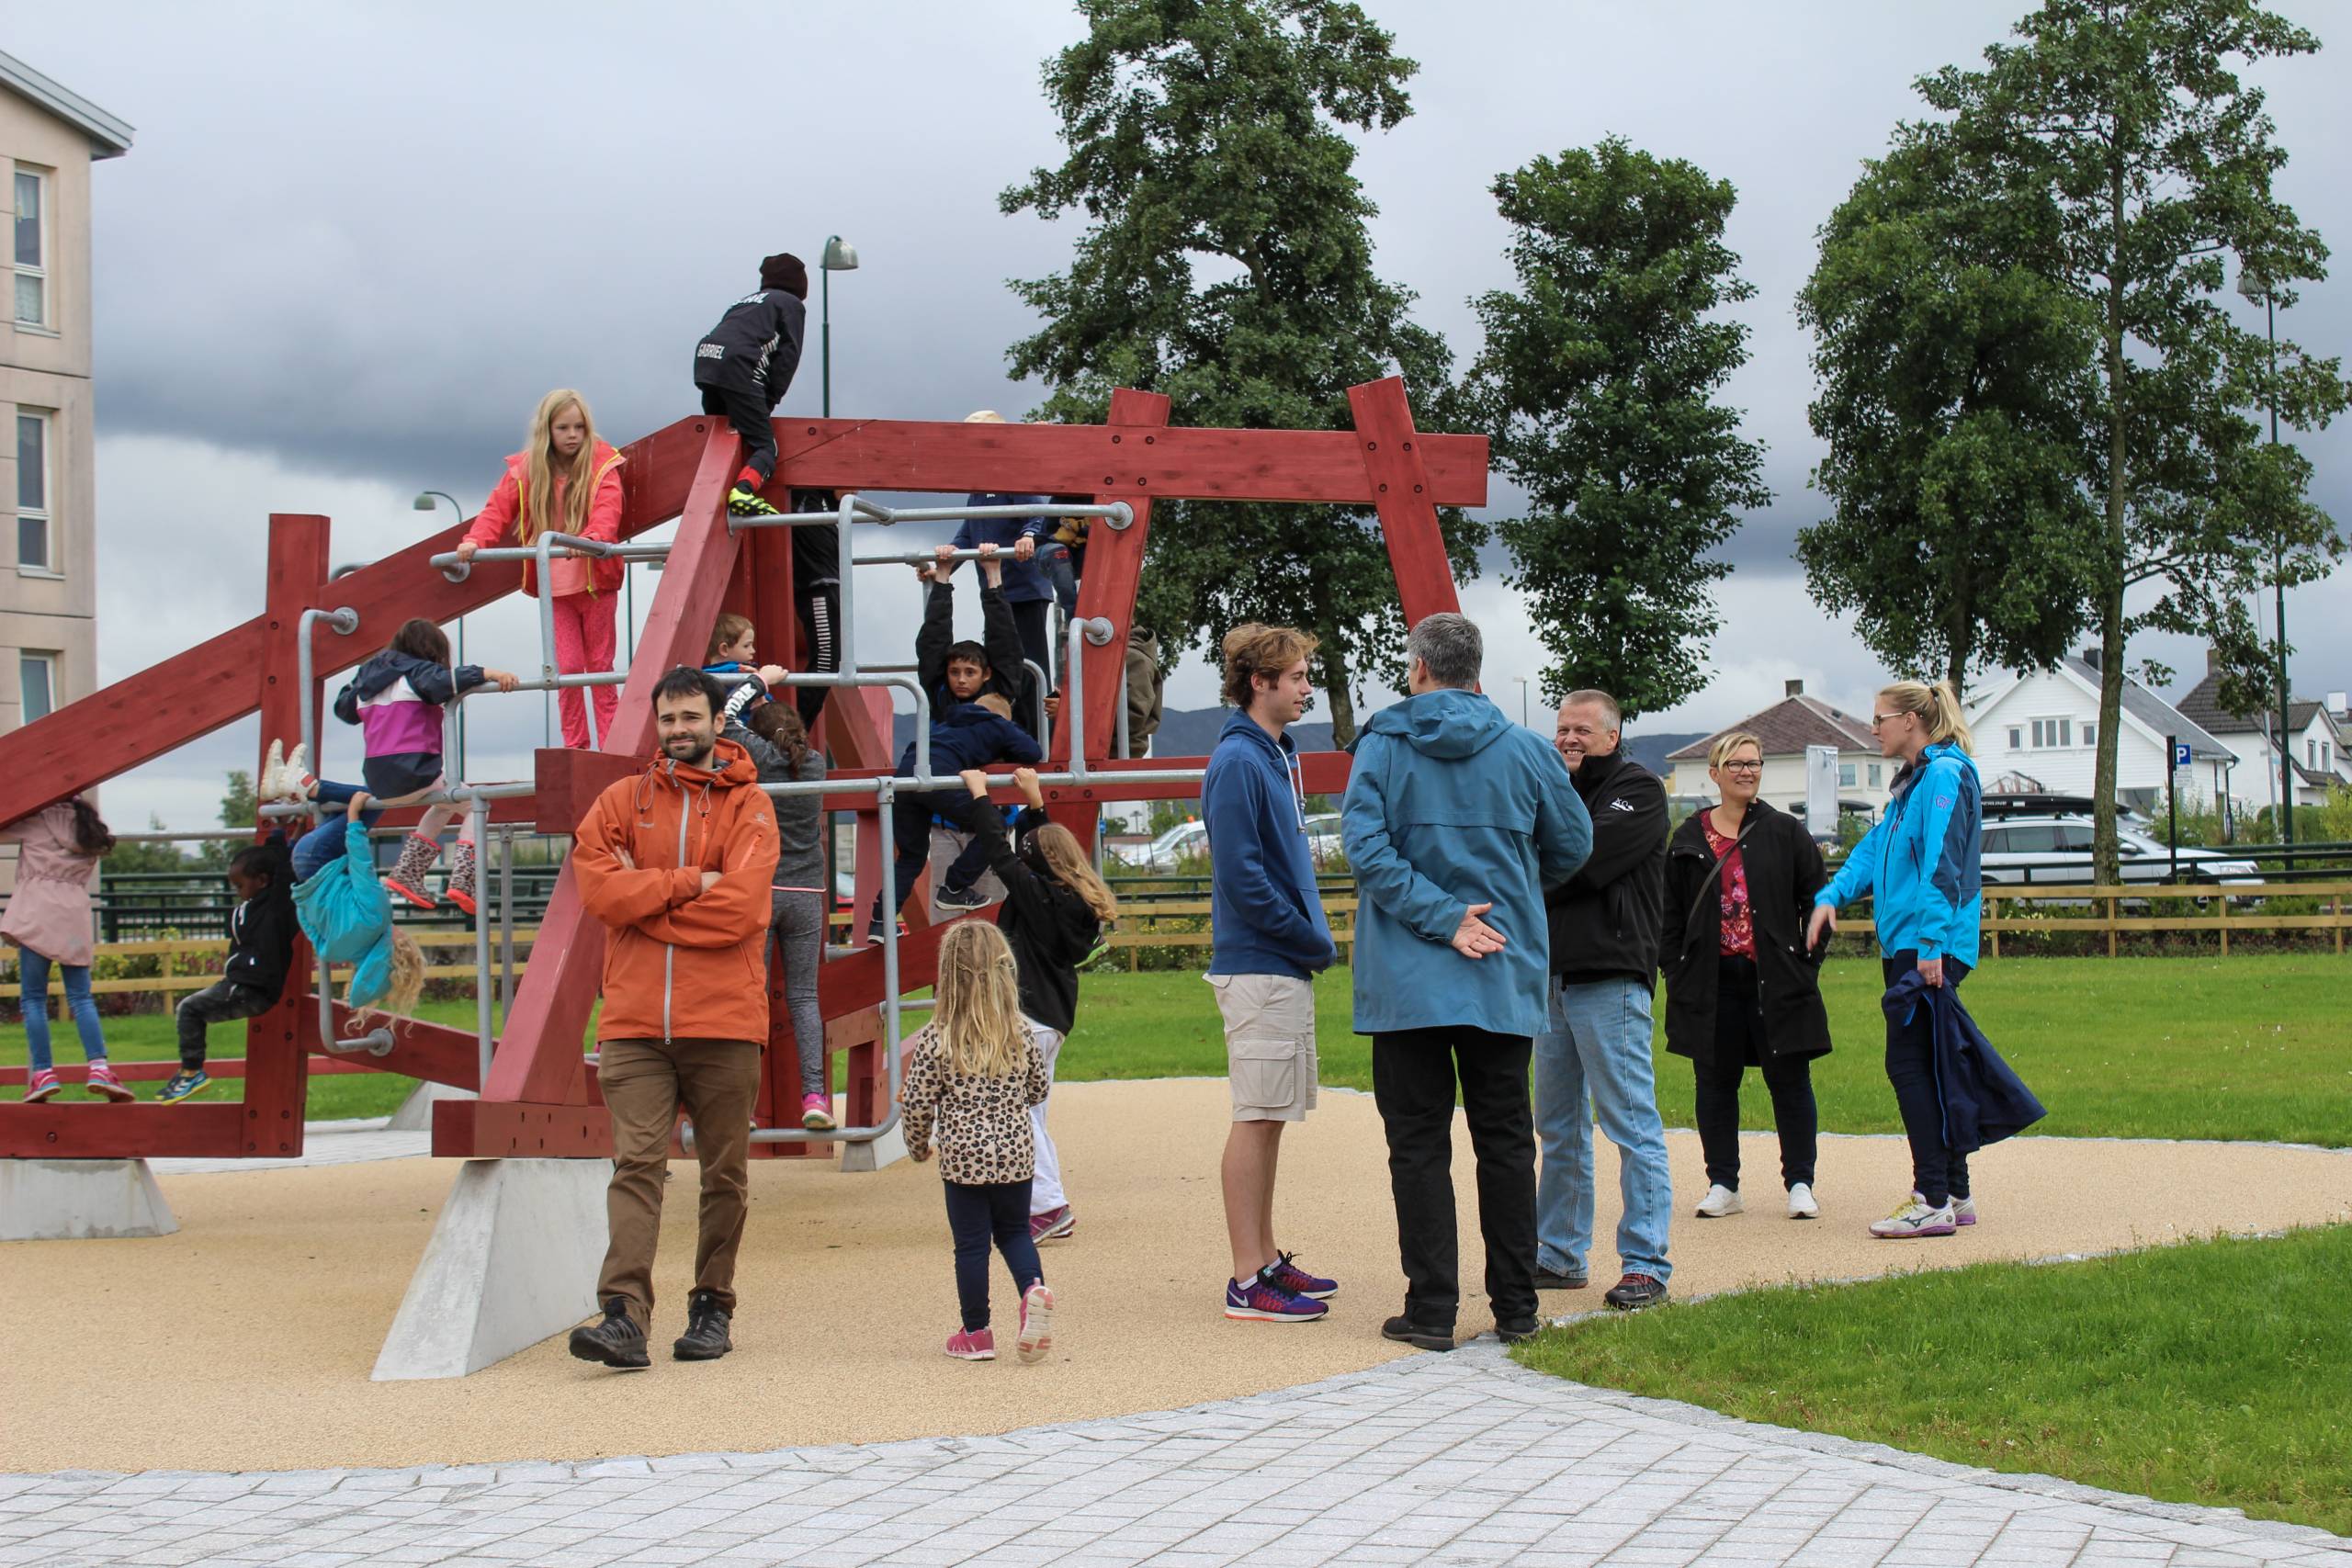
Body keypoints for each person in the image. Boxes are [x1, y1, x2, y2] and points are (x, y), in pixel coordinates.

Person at [1342, 615, 1590, 1350]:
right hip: (1500, 967)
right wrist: (1504, 894)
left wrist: (1440, 915)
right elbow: (1573, 844)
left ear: (1418, 668)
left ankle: (1431, 1309)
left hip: (1406, 980)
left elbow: (1364, 847)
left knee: (1418, 1145)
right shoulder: (1525, 749)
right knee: (1508, 1140)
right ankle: (1516, 1305)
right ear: (1477, 673)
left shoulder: (1383, 746)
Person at [567, 667, 780, 1370]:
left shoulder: (752, 808)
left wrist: (646, 906)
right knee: (636, 1165)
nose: (679, 729)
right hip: (632, 1025)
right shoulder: (620, 801)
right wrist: (691, 883)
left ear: (719, 720)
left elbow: (743, 909)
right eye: (668, 719)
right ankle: (624, 1315)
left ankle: (712, 1304)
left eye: (692, 716)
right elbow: (599, 890)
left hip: (722, 1022)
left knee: (725, 1173)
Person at [1808, 679, 1986, 1240]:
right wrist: (1832, 896)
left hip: (1925, 945)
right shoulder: (1910, 785)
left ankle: (1931, 1195)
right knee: (1930, 1063)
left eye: (1880, 718)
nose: (1874, 729)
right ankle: (1953, 1191)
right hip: (1908, 943)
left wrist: (1931, 947)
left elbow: (1943, 863)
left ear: (1911, 720)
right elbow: (1872, 850)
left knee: (1908, 1064)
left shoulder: (1945, 775)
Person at [1203, 624, 1342, 1325]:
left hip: (1280, 963)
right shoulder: (1239, 760)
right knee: (1255, 1117)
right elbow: (1243, 878)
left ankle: (1265, 1259)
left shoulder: (1274, 754)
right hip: (1261, 963)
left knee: (1273, 1115)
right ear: (1260, 682)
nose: (1306, 686)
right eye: (1295, 676)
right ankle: (1245, 1277)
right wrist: (1310, 938)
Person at [1533, 689, 1675, 1312]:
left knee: (1631, 1123)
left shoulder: (1639, 792)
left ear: (1612, 737)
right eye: (1562, 727)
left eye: (1582, 729)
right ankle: (1559, 1254)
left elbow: (1580, 861)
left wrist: (1526, 870)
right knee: (1558, 1125)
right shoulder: (1553, 788)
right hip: (1551, 980)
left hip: (1611, 980)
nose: (1569, 738)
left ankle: (1646, 1263)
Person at [1661, 731, 1831, 1223]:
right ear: (1714, 773)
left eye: (1754, 763)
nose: (1746, 771)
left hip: (1776, 979)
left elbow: (1818, 903)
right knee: (1714, 1082)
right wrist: (1676, 968)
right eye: (1735, 764)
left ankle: (1800, 1182)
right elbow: (1666, 914)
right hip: (1710, 982)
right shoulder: (1689, 838)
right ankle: (1723, 1183)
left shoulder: (1785, 831)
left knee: (1791, 1080)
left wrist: (1805, 964)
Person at [956, 764, 1120, 1244]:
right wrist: (1035, 804)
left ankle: (1048, 1206)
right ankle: (1038, 1203)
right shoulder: (1070, 899)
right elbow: (1032, 855)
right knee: (1034, 1111)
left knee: (1019, 1114)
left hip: (1027, 1019)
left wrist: (980, 795)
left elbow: (1000, 854)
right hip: (1053, 1019)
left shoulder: (1036, 894)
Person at [269, 620, 519, 914]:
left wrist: (362, 675)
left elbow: (344, 709)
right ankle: (464, 879)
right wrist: (490, 673)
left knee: (445, 804)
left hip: (377, 778)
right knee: (477, 807)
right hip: (415, 770)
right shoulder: (418, 672)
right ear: (431, 650)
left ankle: (407, 874)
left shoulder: (368, 685)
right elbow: (447, 680)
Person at [900, 919, 1057, 1363]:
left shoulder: (939, 1037)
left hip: (964, 1160)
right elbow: (1037, 1089)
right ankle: (1031, 1291)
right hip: (1014, 1156)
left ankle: (976, 1332)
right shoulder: (1020, 1032)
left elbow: (916, 1101)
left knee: (971, 1245)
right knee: (1013, 1232)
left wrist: (917, 1146)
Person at [452, 389, 627, 750]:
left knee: (600, 668)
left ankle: (613, 747)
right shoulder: (528, 469)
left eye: (579, 427)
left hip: (595, 582)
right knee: (566, 668)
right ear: (548, 430)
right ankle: (575, 746)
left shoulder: (602, 464)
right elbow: (497, 510)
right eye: (563, 428)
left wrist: (592, 538)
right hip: (555, 588)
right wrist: (475, 541)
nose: (573, 435)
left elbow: (609, 509)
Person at [729, 701, 833, 1131]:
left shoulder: (758, 760)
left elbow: (726, 718)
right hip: (807, 890)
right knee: (804, 998)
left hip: (763, 889)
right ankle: (815, 1097)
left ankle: (743, 1106)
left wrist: (755, 681)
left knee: (751, 994)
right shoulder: (815, 764)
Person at [869, 691, 1042, 935]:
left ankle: (881, 922)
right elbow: (1033, 752)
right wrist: (1005, 739)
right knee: (993, 824)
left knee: (911, 858)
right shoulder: (997, 723)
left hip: (905, 778)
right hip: (938, 778)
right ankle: (954, 887)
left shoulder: (946, 724)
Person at [4, 796, 131, 1103]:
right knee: (80, 996)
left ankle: (43, 1074)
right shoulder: (88, 825)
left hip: (36, 914)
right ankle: (100, 1067)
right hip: (73, 916)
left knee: (33, 998)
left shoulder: (37, 820)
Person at [159, 831, 298, 1103]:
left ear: (261, 881)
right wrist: (274, 840)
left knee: (188, 1009)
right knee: (190, 1011)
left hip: (252, 988)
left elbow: (283, 875)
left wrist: (281, 841)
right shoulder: (249, 910)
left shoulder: (277, 909)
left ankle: (191, 1072)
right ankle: (191, 1071)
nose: (237, 892)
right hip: (241, 985)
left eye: (239, 886)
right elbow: (273, 864)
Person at [284, 795, 426, 1029]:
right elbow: (305, 920)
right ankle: (310, 797)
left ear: (395, 949)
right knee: (336, 806)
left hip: (322, 856)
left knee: (373, 800)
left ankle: (309, 785)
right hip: (301, 867)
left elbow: (362, 865)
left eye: (405, 939)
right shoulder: (333, 953)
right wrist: (302, 893)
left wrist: (353, 820)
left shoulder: (378, 919)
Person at [944, 412, 1057, 685]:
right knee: (1001, 658)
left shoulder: (1011, 472)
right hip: (995, 590)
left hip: (1024, 588)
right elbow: (966, 535)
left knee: (1028, 660)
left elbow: (1037, 513)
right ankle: (1009, 715)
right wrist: (942, 564)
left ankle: (1036, 720)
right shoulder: (979, 489)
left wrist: (1028, 536)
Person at [692, 253, 807, 518]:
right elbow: (788, 356)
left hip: (707, 361)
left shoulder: (744, 302)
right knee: (766, 446)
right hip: (740, 366)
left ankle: (714, 487)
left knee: (724, 436)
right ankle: (743, 490)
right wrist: (769, 402)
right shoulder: (790, 304)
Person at [917, 542, 1040, 739]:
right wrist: (942, 574)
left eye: (970, 672)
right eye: (954, 672)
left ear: (986, 674)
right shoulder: (940, 692)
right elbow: (933, 638)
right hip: (954, 763)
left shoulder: (1000, 691)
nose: (961, 680)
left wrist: (993, 572)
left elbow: (1004, 640)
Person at [785, 488, 844, 728]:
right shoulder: (804, 496)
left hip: (827, 584)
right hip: (816, 588)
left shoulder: (825, 503)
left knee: (830, 663)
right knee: (826, 663)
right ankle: (791, 732)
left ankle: (793, 732)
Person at [703, 614, 789, 725]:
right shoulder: (741, 672)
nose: (753, 650)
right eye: (747, 646)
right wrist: (761, 679)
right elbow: (767, 705)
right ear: (724, 649)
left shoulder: (700, 677)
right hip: (744, 730)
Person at [1125, 626, 1164, 759]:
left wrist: (1070, 712)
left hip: (1114, 754)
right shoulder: (1128, 654)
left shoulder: (1132, 657)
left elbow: (1133, 717)